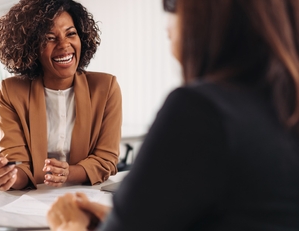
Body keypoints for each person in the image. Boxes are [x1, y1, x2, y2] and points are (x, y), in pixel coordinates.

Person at [47, 0, 299, 230]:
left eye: (171, 6)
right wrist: (121, 218)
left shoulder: (201, 112)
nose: (167, 26)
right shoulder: (284, 107)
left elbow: (106, 160)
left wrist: (70, 224)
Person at [0, 0, 122, 191]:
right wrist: (9, 176)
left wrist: (68, 173)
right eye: (49, 38)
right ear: (31, 47)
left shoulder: (105, 88)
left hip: (86, 195)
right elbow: (19, 164)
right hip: (32, 199)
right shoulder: (11, 92)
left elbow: (106, 160)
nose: (64, 45)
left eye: (71, 34)